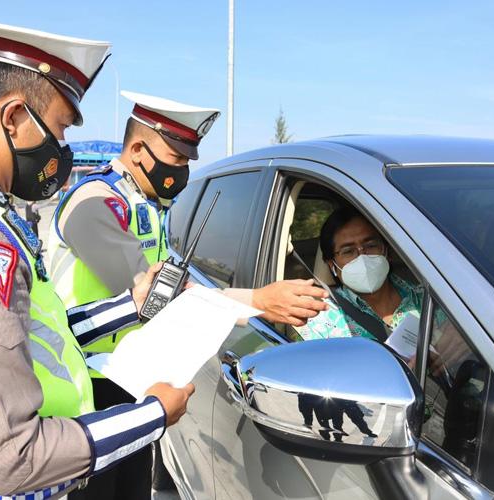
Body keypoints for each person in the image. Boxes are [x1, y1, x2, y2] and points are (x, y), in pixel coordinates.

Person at [0, 18, 195, 499]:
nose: (62, 149)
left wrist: (131, 305)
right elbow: (13, 457)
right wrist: (153, 414)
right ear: (12, 117)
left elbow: (31, 334)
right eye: (58, 128)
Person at [49, 91, 329, 500]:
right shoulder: (96, 202)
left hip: (130, 375)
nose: (181, 171)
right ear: (140, 150)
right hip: (89, 385)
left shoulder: (144, 203)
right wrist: (260, 301)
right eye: (176, 159)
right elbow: (159, 299)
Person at [297, 205, 423, 343]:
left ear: (386, 250)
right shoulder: (320, 319)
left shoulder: (427, 299)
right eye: (348, 251)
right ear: (332, 265)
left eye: (371, 245)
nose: (362, 257)